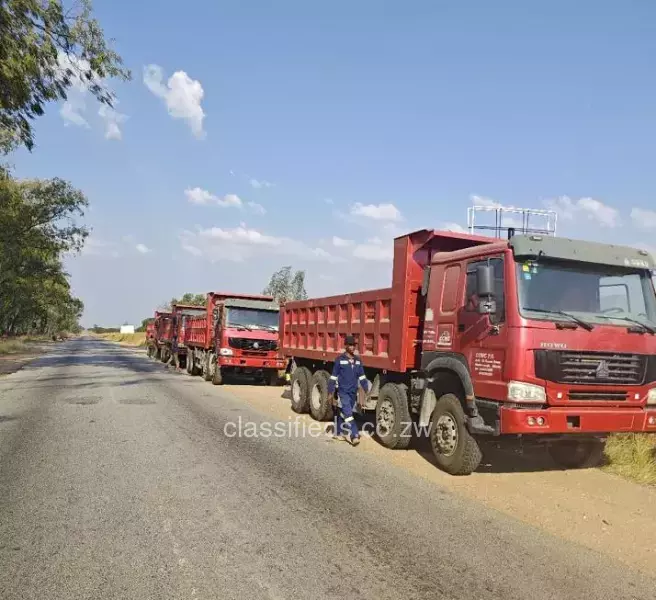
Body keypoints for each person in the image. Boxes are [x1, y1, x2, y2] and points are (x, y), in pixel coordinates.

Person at [327, 335, 370, 446]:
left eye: (354, 345)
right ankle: (354, 435)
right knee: (349, 413)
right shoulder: (339, 360)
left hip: (352, 392)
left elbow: (362, 377)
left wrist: (367, 390)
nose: (352, 347)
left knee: (344, 412)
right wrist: (330, 392)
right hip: (343, 391)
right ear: (345, 346)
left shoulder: (358, 361)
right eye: (350, 345)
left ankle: (338, 432)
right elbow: (333, 377)